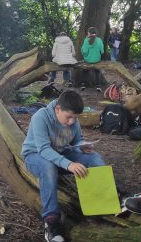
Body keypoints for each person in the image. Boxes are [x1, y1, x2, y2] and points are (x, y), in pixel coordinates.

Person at [22, 90, 105, 242]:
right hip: (35, 156)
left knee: (94, 158)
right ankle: (52, 222)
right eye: (69, 117)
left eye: (75, 118)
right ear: (58, 109)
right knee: (48, 166)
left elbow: (77, 140)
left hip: (61, 154)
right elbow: (44, 150)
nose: (72, 122)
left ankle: (102, 203)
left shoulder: (72, 119)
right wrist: (69, 164)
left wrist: (82, 147)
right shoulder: (41, 117)